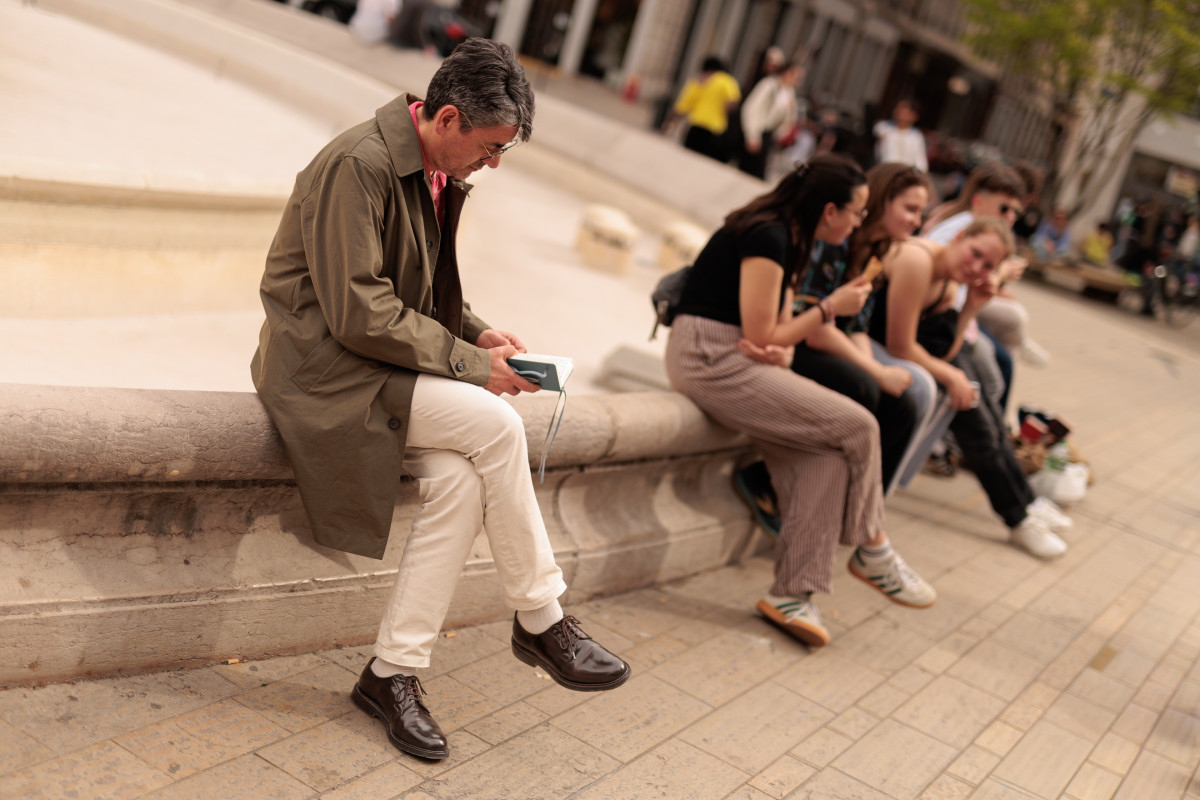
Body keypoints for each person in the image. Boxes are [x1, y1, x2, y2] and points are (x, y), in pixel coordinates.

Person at [250, 39, 629, 762]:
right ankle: (542, 617)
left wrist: (483, 335)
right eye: (488, 150)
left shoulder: (427, 167)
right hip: (326, 371)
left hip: (372, 364)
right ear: (447, 117)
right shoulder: (359, 165)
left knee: (458, 483)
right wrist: (472, 368)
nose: (491, 165)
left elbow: (413, 294)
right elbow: (359, 310)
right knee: (494, 425)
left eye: (502, 154)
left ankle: (392, 672)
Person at [665, 154, 938, 649]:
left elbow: (776, 334)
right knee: (860, 426)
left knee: (825, 457)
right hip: (708, 355)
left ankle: (793, 595)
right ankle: (872, 548)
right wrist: (831, 308)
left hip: (738, 355)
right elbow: (763, 329)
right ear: (829, 210)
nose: (859, 222)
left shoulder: (796, 237)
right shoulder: (768, 235)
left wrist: (783, 344)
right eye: (855, 212)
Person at [734, 164, 946, 530]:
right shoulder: (834, 239)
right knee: (861, 386)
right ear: (882, 201)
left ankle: (852, 513)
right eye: (910, 209)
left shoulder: (880, 252)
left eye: (921, 212)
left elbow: (856, 326)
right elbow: (816, 328)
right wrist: (875, 371)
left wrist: (876, 371)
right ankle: (766, 478)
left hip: (819, 337)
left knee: (903, 404)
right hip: (794, 337)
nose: (917, 221)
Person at [868, 217, 1073, 559]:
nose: (976, 267)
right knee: (972, 411)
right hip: (875, 351)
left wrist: (971, 307)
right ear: (960, 236)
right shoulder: (918, 260)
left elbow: (942, 348)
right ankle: (1018, 517)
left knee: (990, 413)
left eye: (988, 265)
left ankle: (1026, 502)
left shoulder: (951, 282)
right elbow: (899, 344)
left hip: (913, 357)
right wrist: (950, 376)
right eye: (974, 253)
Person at [668, 56, 742, 163]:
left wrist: (670, 123)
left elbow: (682, 106)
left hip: (696, 125)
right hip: (715, 129)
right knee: (705, 162)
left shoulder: (699, 80)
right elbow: (732, 103)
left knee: (687, 159)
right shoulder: (727, 81)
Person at [737, 61, 803, 179]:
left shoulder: (789, 93)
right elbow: (751, 108)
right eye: (796, 78)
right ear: (787, 73)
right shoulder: (769, 85)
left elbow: (789, 119)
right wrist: (752, 135)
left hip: (769, 136)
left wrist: (782, 133)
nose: (798, 82)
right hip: (757, 132)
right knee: (748, 172)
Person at [873, 99, 928, 172]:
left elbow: (921, 161)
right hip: (885, 172)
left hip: (906, 175)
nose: (900, 115)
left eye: (905, 112)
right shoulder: (883, 127)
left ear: (913, 116)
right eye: (898, 110)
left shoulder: (917, 136)